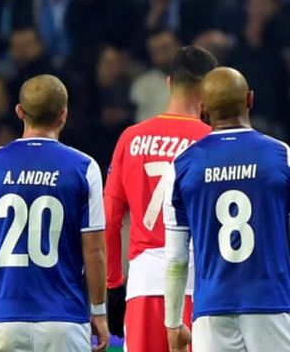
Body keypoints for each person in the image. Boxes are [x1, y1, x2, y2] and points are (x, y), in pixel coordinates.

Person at [163, 67, 290, 352]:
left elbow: (176, 260)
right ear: (250, 100)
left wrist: (173, 322)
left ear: (203, 109)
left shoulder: (182, 167)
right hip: (272, 306)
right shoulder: (284, 158)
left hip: (211, 313)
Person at [0, 74, 108, 352]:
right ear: (63, 115)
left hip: (3, 319)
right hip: (64, 320)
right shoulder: (83, 167)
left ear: (19, 111)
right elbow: (94, 250)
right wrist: (98, 311)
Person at [104, 46, 218, 352]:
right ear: (209, 89)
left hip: (144, 286)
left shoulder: (131, 138)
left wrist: (113, 286)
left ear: (169, 83)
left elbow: (110, 219)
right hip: (200, 288)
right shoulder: (212, 142)